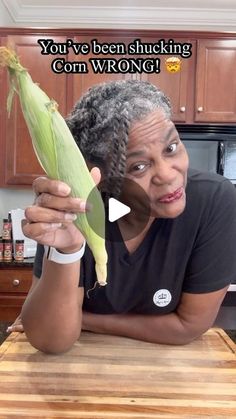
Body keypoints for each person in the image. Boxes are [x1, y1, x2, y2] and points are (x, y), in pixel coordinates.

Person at [7, 80, 236, 354]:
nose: (167, 174)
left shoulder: (214, 200)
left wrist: (85, 319)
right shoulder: (74, 208)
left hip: (172, 369)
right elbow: (50, 340)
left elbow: (189, 325)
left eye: (171, 148)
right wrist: (68, 249)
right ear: (100, 180)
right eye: (138, 166)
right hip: (76, 373)